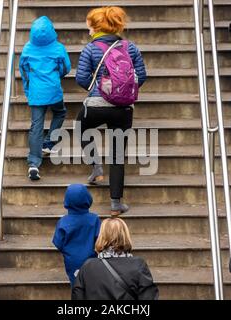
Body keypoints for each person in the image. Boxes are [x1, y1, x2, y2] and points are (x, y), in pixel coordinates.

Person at [75, 6, 147, 216]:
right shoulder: (130, 47)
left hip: (97, 105)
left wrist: (97, 89)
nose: (87, 28)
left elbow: (81, 77)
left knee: (81, 126)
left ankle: (95, 165)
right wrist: (123, 92)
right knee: (117, 155)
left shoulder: (90, 49)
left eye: (89, 24)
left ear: (97, 26)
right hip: (123, 109)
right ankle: (116, 203)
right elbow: (141, 76)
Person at [19, 16, 71, 181]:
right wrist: (56, 74)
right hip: (54, 90)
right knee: (60, 112)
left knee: (36, 126)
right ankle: (49, 142)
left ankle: (33, 163)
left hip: (36, 93)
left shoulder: (27, 49)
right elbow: (66, 68)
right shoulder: (58, 48)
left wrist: (28, 90)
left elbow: (24, 72)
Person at [72, 218, 159, 300]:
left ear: (101, 236)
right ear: (125, 236)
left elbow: (77, 296)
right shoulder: (138, 264)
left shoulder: (88, 266)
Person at [52, 184, 101, 285]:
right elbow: (100, 240)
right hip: (92, 260)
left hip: (72, 261)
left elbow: (58, 242)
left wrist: (68, 250)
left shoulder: (63, 222)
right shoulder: (94, 219)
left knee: (76, 285)